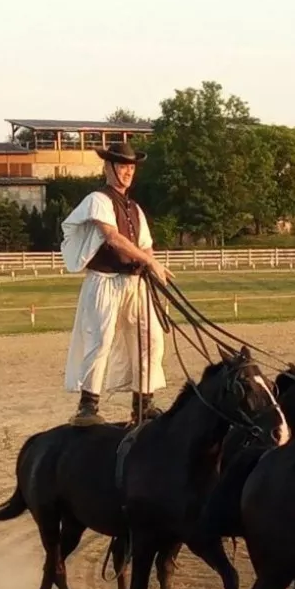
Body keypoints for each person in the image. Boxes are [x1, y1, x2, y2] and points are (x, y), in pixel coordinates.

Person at [59, 141, 174, 427]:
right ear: (108, 167)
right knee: (100, 340)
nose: (127, 172)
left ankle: (142, 404)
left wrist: (151, 264)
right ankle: (88, 405)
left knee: (151, 339)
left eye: (131, 167)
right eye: (122, 166)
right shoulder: (98, 199)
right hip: (105, 282)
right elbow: (112, 237)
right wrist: (150, 263)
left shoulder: (134, 207)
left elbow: (145, 245)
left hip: (135, 284)